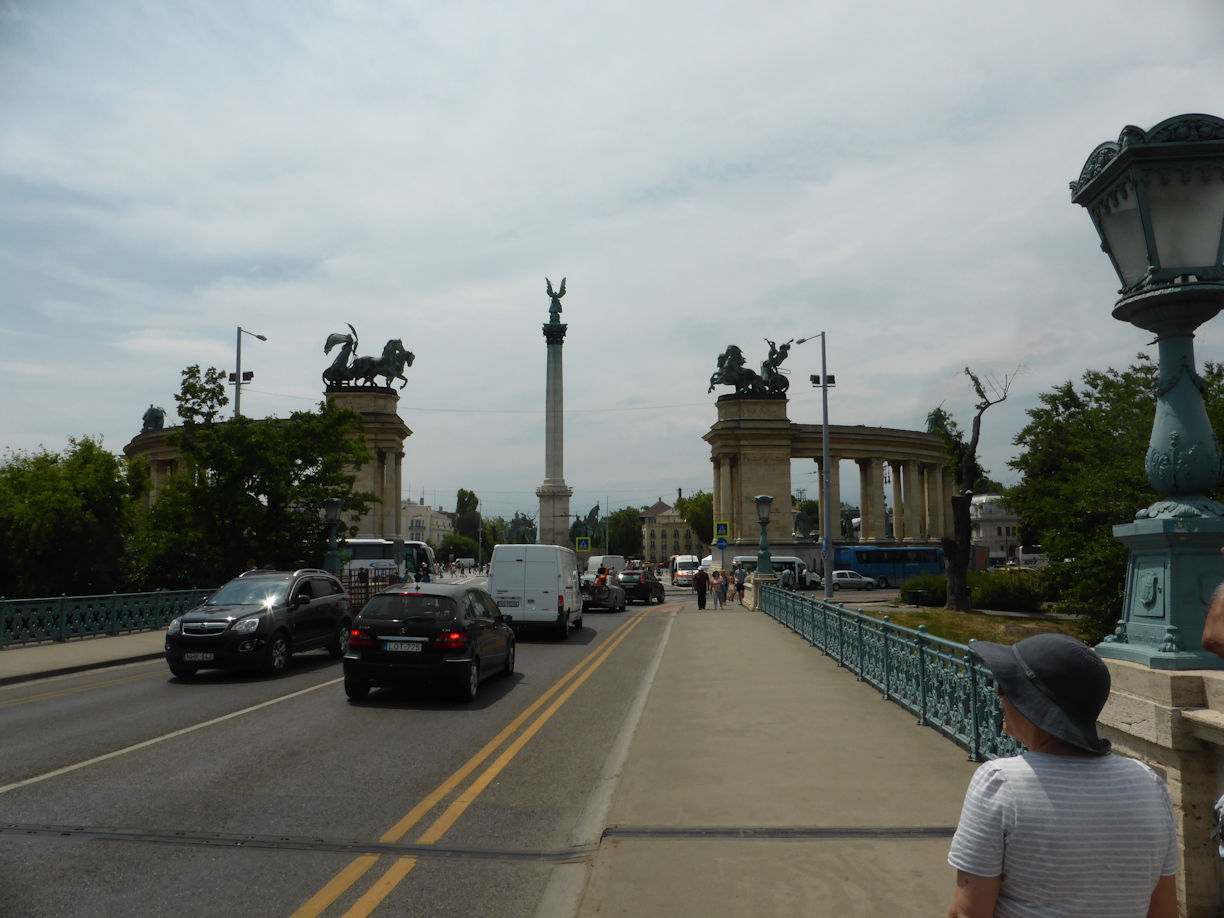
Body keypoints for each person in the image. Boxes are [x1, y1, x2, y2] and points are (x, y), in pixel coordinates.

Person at [947, 633, 1179, 918]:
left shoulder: (1000, 783)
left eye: (1006, 685)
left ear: (1032, 702)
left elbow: (967, 913)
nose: (998, 693)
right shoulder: (1148, 784)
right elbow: (1164, 910)